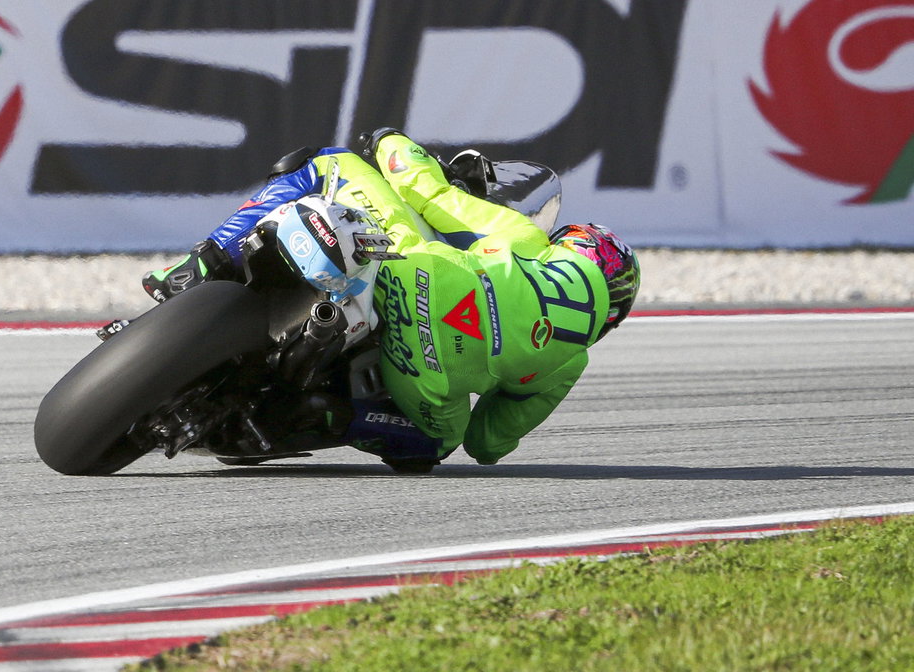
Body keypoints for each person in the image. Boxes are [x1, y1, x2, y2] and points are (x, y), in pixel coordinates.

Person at [142, 128, 640, 471]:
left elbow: (429, 193)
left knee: (328, 162)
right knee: (437, 444)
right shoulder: (570, 363)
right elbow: (487, 444)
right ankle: (315, 414)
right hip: (422, 377)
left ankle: (200, 263)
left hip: (410, 280)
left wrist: (388, 140)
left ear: (575, 248)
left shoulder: (523, 238)